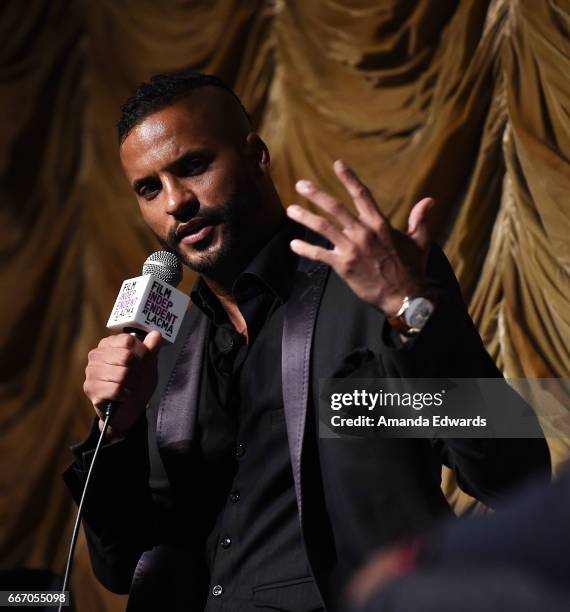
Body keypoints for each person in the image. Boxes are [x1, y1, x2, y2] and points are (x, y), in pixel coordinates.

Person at [63, 71, 550, 611]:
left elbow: (513, 474)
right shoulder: (162, 339)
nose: (175, 201)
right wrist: (119, 433)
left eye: (194, 166)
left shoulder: (376, 281)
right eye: (149, 188)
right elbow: (118, 565)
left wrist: (413, 316)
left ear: (257, 155)